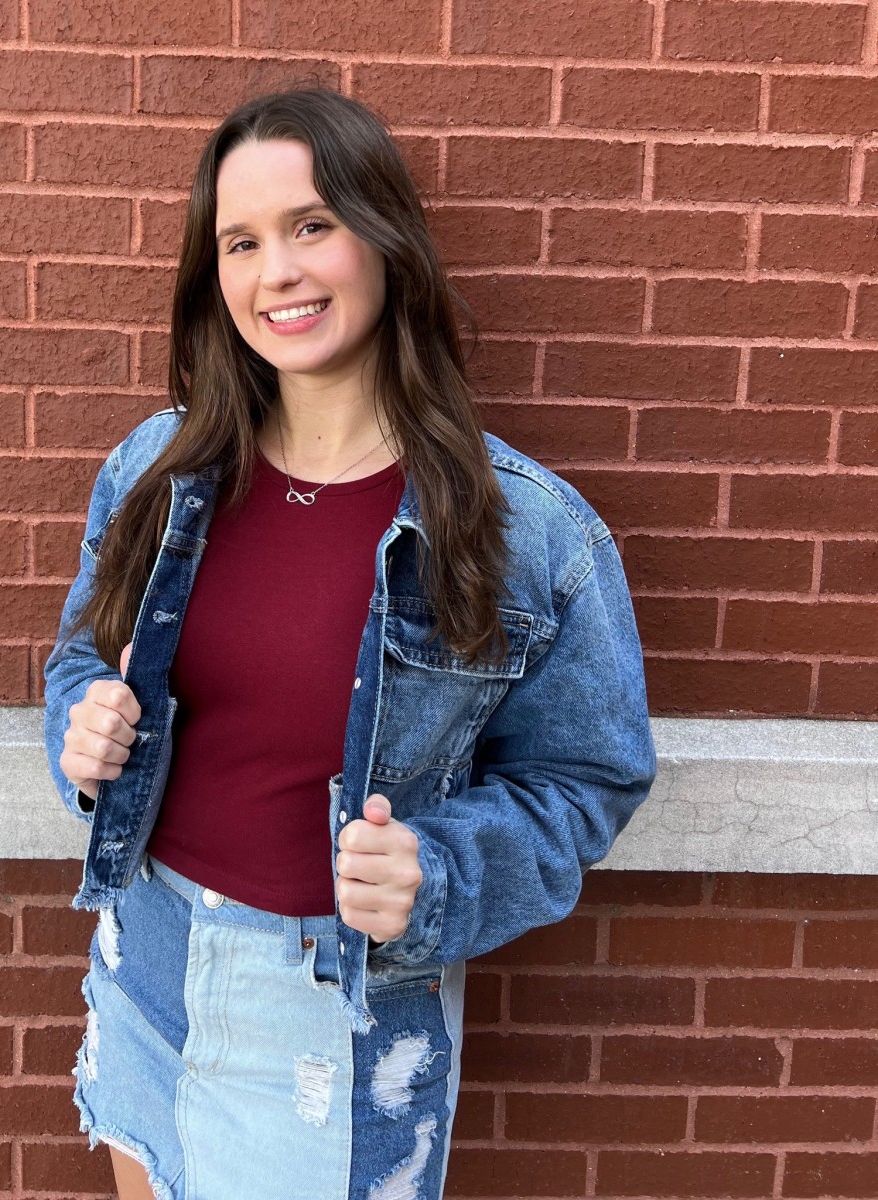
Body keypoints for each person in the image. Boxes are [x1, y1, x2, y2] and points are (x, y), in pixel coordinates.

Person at [43, 87, 655, 1200]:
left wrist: (442, 868)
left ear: (383, 239)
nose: (275, 271)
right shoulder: (157, 471)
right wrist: (79, 736)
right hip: (147, 951)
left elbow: (586, 779)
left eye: (310, 226)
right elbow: (84, 661)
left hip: (335, 1009)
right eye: (241, 241)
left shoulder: (528, 534)